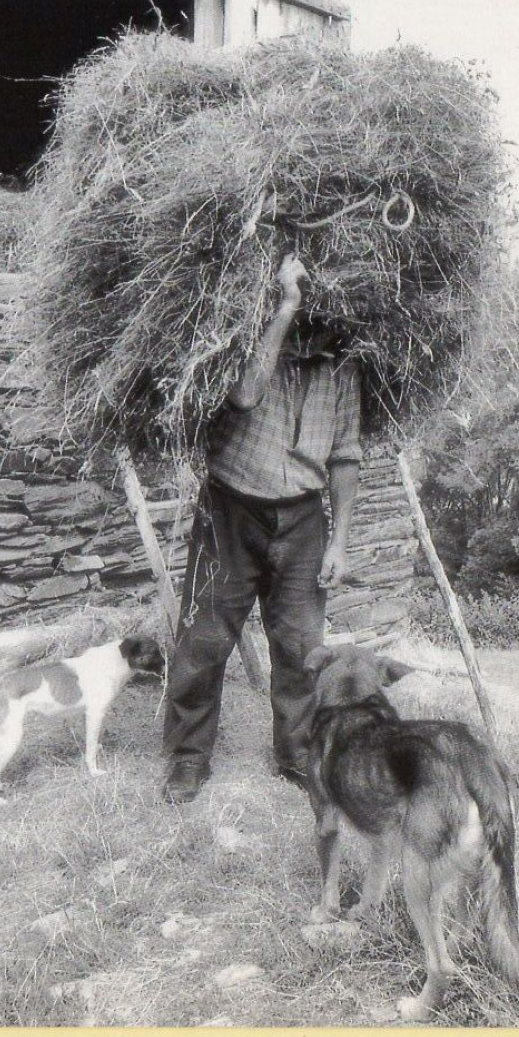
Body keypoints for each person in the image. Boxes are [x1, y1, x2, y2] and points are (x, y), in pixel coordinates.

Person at [160, 253, 362, 803]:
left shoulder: (343, 370)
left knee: (300, 645)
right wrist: (283, 309)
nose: (319, 325)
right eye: (308, 307)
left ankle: (297, 754)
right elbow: (244, 394)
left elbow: (346, 456)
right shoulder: (255, 340)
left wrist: (339, 540)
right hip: (231, 508)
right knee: (204, 639)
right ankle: (187, 757)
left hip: (303, 517)